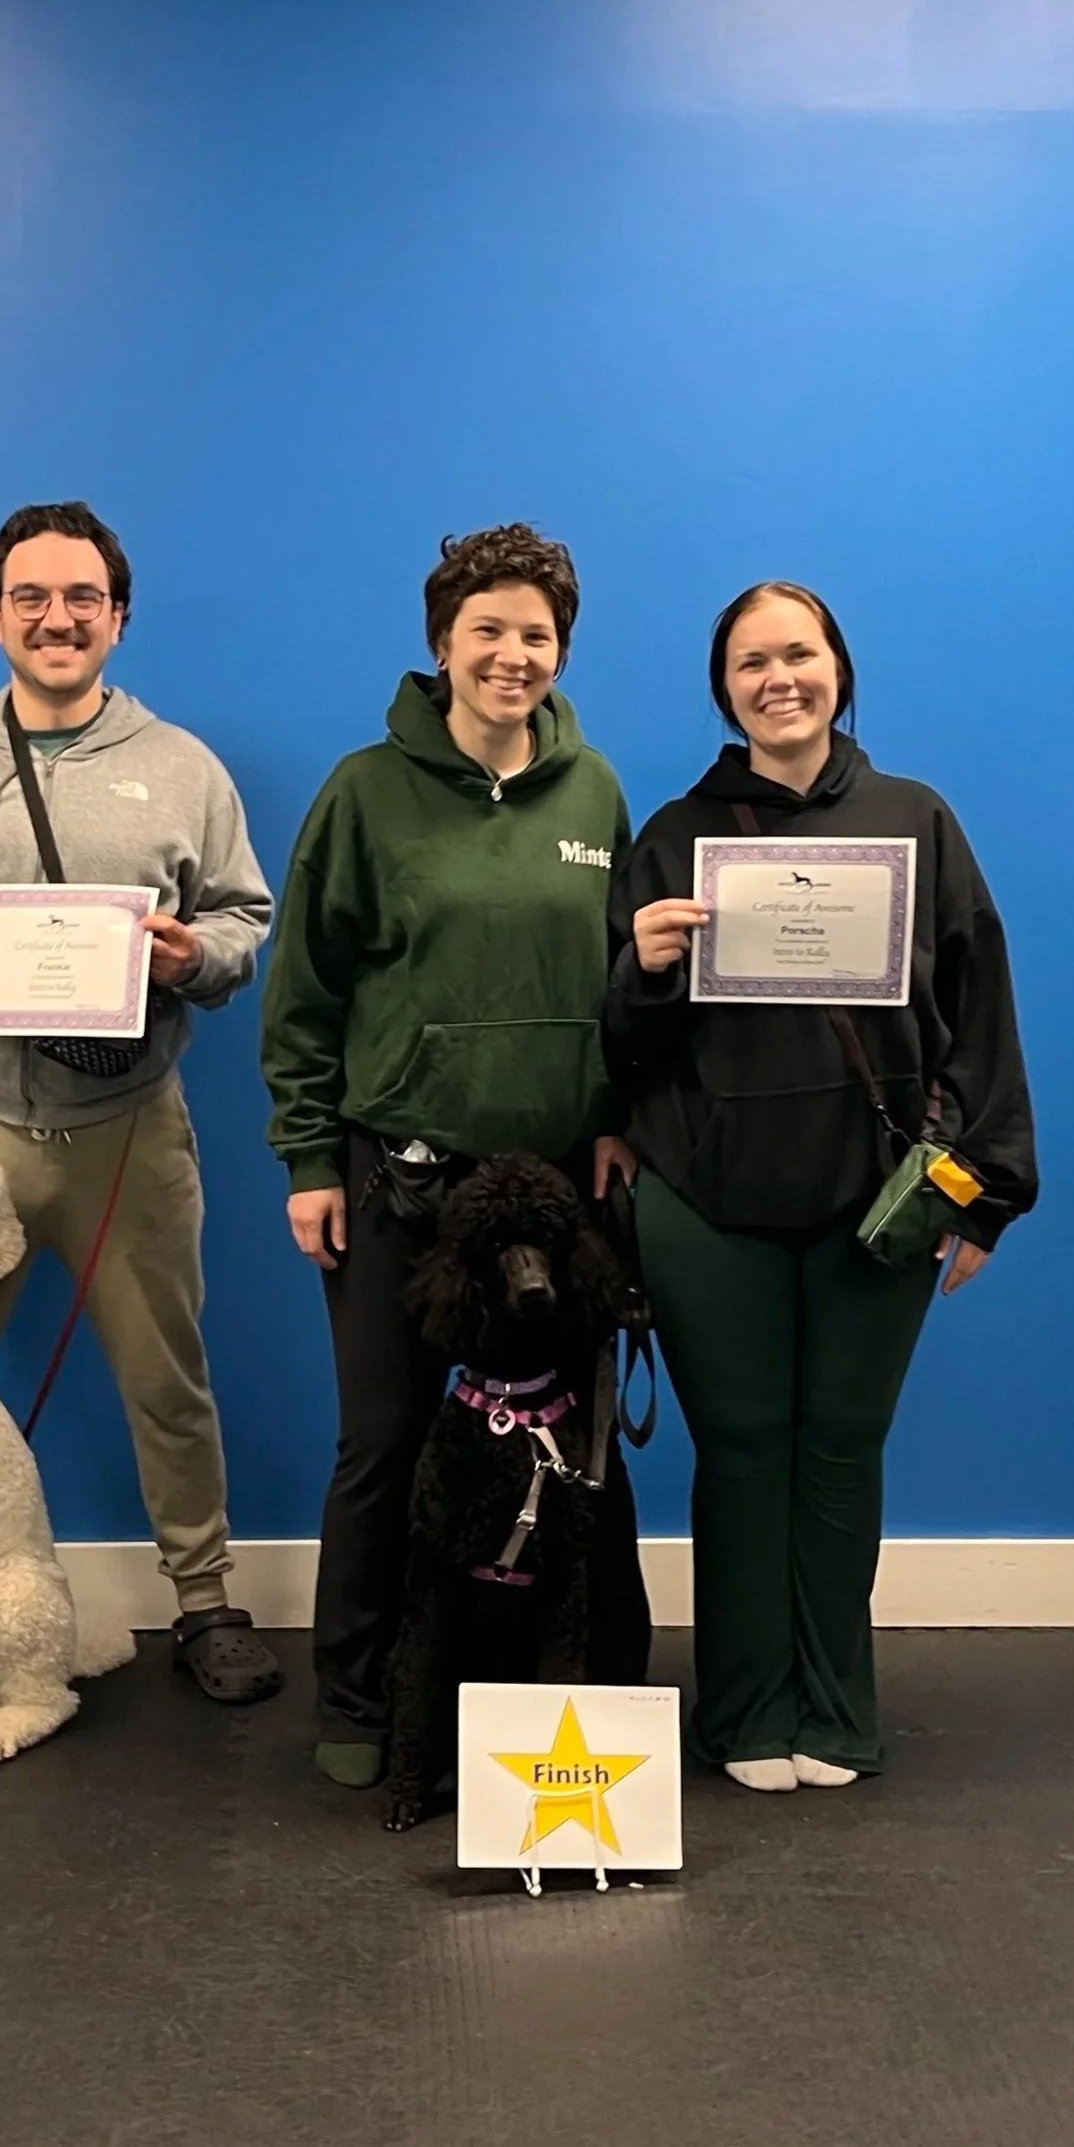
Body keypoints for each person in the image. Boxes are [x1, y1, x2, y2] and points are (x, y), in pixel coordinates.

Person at [0, 501, 280, 1706]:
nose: (57, 617)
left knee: (164, 1374)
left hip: (128, 1125)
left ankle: (205, 1598)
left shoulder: (183, 767)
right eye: (31, 596)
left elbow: (244, 915)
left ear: (117, 617)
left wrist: (197, 959)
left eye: (82, 597)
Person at [605, 581, 1037, 1790]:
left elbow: (979, 1014)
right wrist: (639, 968)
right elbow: (617, 1050)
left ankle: (836, 1707)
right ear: (722, 685)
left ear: (838, 669)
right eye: (750, 661)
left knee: (842, 1450)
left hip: (879, 1203)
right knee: (739, 1452)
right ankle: (744, 1709)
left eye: (798, 654)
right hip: (704, 1203)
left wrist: (986, 1192)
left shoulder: (918, 819)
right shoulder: (674, 832)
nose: (776, 678)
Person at [260, 523, 642, 1790]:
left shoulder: (594, 796)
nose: (511, 654)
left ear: (559, 652)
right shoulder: (364, 790)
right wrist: (311, 1157)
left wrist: (614, 1125)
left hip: (554, 1190)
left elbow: (619, 991)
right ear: (441, 644)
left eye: (535, 634)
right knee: (384, 1441)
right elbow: (304, 992)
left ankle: (575, 1695)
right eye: (487, 629)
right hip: (399, 1177)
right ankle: (359, 1698)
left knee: (574, 1450)